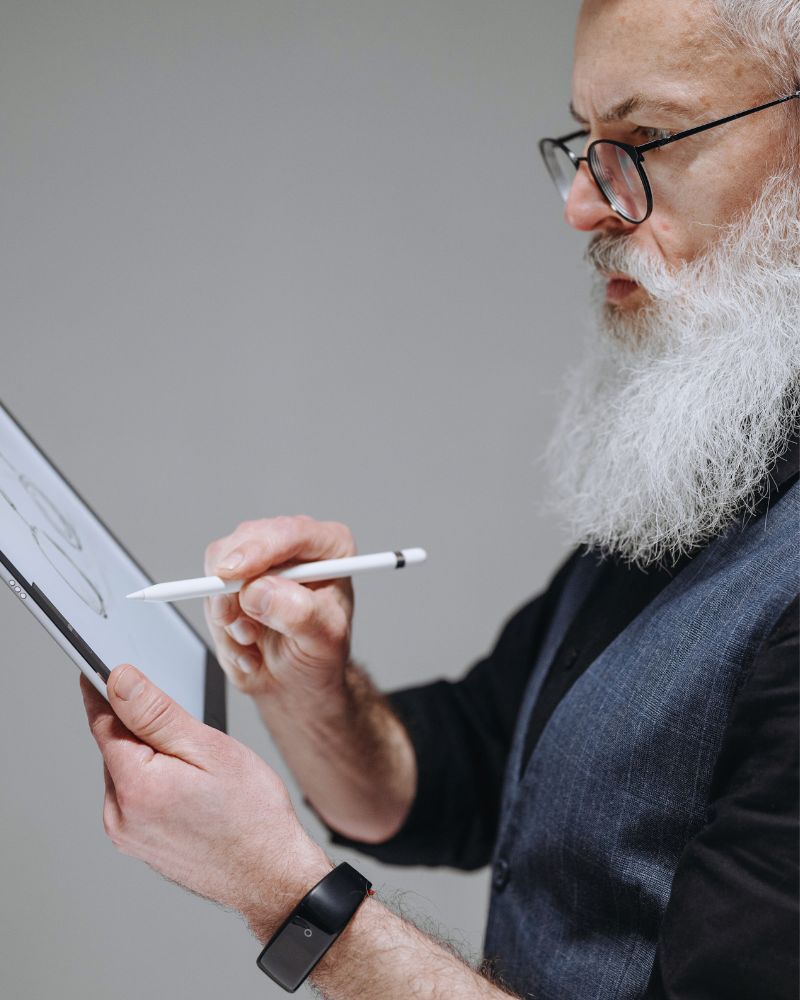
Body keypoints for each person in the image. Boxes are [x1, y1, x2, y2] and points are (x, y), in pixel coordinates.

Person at [80, 0, 799, 997]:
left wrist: (279, 891)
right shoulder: (724, 447)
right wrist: (311, 690)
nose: (583, 205)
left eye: (641, 141)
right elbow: (462, 777)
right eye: (585, 144)